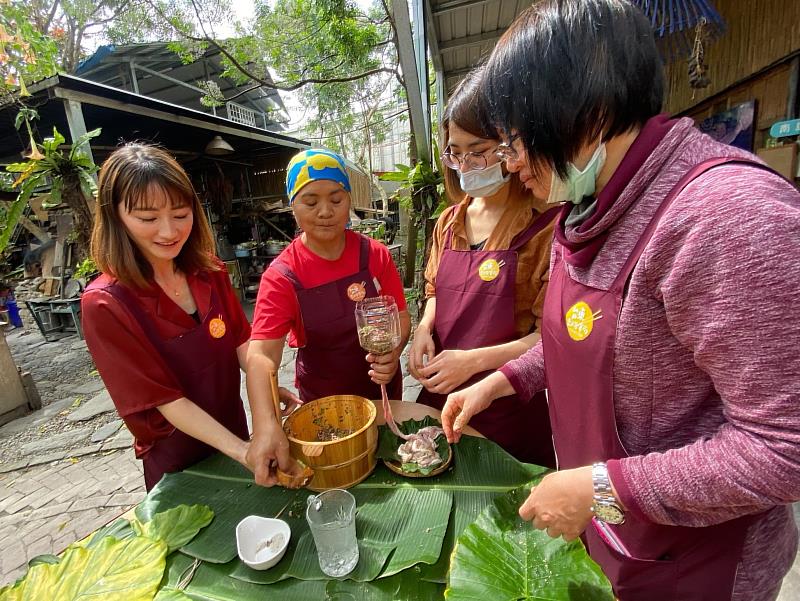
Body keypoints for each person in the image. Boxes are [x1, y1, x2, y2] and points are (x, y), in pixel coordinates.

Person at [441, 1, 800, 599]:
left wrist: (601, 489)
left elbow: (785, 447)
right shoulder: (586, 208)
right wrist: (504, 379)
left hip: (695, 563)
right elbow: (585, 340)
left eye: (517, 137)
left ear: (591, 111)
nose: (508, 162)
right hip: (615, 536)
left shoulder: (729, 217)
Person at [82, 144, 297, 491]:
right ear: (115, 217)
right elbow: (166, 400)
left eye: (180, 214)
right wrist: (243, 451)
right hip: (178, 462)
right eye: (148, 219)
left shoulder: (208, 271)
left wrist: (266, 400)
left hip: (237, 433)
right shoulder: (106, 303)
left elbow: (246, 345)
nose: (168, 232)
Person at [409, 68, 558, 467]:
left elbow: (550, 339)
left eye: (479, 151)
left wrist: (472, 362)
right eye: (456, 153)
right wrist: (424, 329)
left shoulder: (545, 227)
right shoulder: (449, 221)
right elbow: (433, 289)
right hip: (443, 396)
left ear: (511, 146)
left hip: (510, 407)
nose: (466, 164)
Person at [246, 149, 410, 485]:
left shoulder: (373, 254)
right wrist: (266, 423)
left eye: (336, 199)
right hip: (325, 407)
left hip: (381, 394)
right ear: (292, 205)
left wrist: (393, 353)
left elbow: (401, 316)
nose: (325, 211)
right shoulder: (283, 276)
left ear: (348, 200)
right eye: (310, 202)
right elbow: (261, 356)